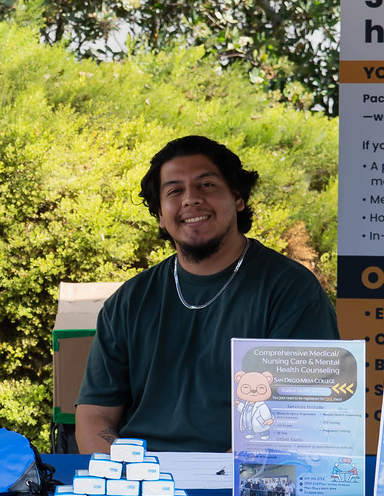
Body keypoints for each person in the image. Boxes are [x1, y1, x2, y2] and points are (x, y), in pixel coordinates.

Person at [75, 135, 337, 454]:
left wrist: (221, 478)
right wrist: (130, 475)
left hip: (240, 480)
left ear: (238, 198)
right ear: (160, 213)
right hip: (142, 480)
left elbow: (297, 418)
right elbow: (94, 416)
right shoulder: (129, 301)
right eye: (174, 191)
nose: (191, 200)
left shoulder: (291, 292)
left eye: (207, 185)